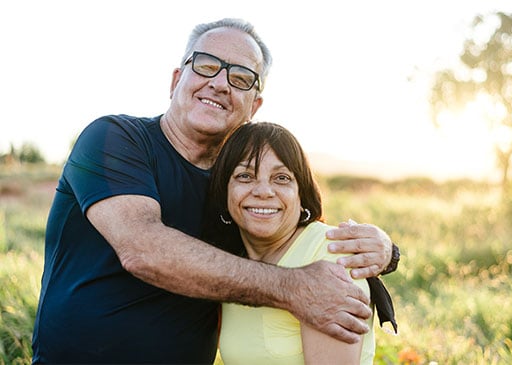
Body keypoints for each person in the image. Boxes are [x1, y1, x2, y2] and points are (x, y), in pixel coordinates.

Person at [31, 18, 396, 364]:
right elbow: (143, 250)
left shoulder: (237, 187)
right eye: (206, 65)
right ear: (176, 80)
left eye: (241, 77)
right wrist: (295, 288)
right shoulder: (114, 139)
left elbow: (290, 234)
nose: (220, 83)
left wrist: (387, 251)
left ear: (254, 106)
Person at [203, 121, 375, 364]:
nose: (263, 191)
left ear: (301, 192)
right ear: (224, 190)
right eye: (244, 176)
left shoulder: (331, 256)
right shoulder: (231, 264)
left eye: (281, 178)